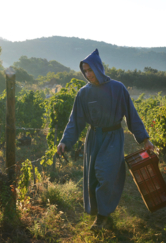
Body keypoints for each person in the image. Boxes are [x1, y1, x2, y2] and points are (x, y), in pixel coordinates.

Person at [57, 49, 154, 231]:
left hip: (113, 137)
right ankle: (100, 213)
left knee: (106, 175)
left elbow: (132, 116)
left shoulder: (118, 88)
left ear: (99, 68)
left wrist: (145, 139)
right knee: (93, 178)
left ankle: (102, 218)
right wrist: (65, 141)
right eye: (84, 71)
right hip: (94, 138)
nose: (88, 74)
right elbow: (75, 121)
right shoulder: (83, 93)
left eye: (90, 70)